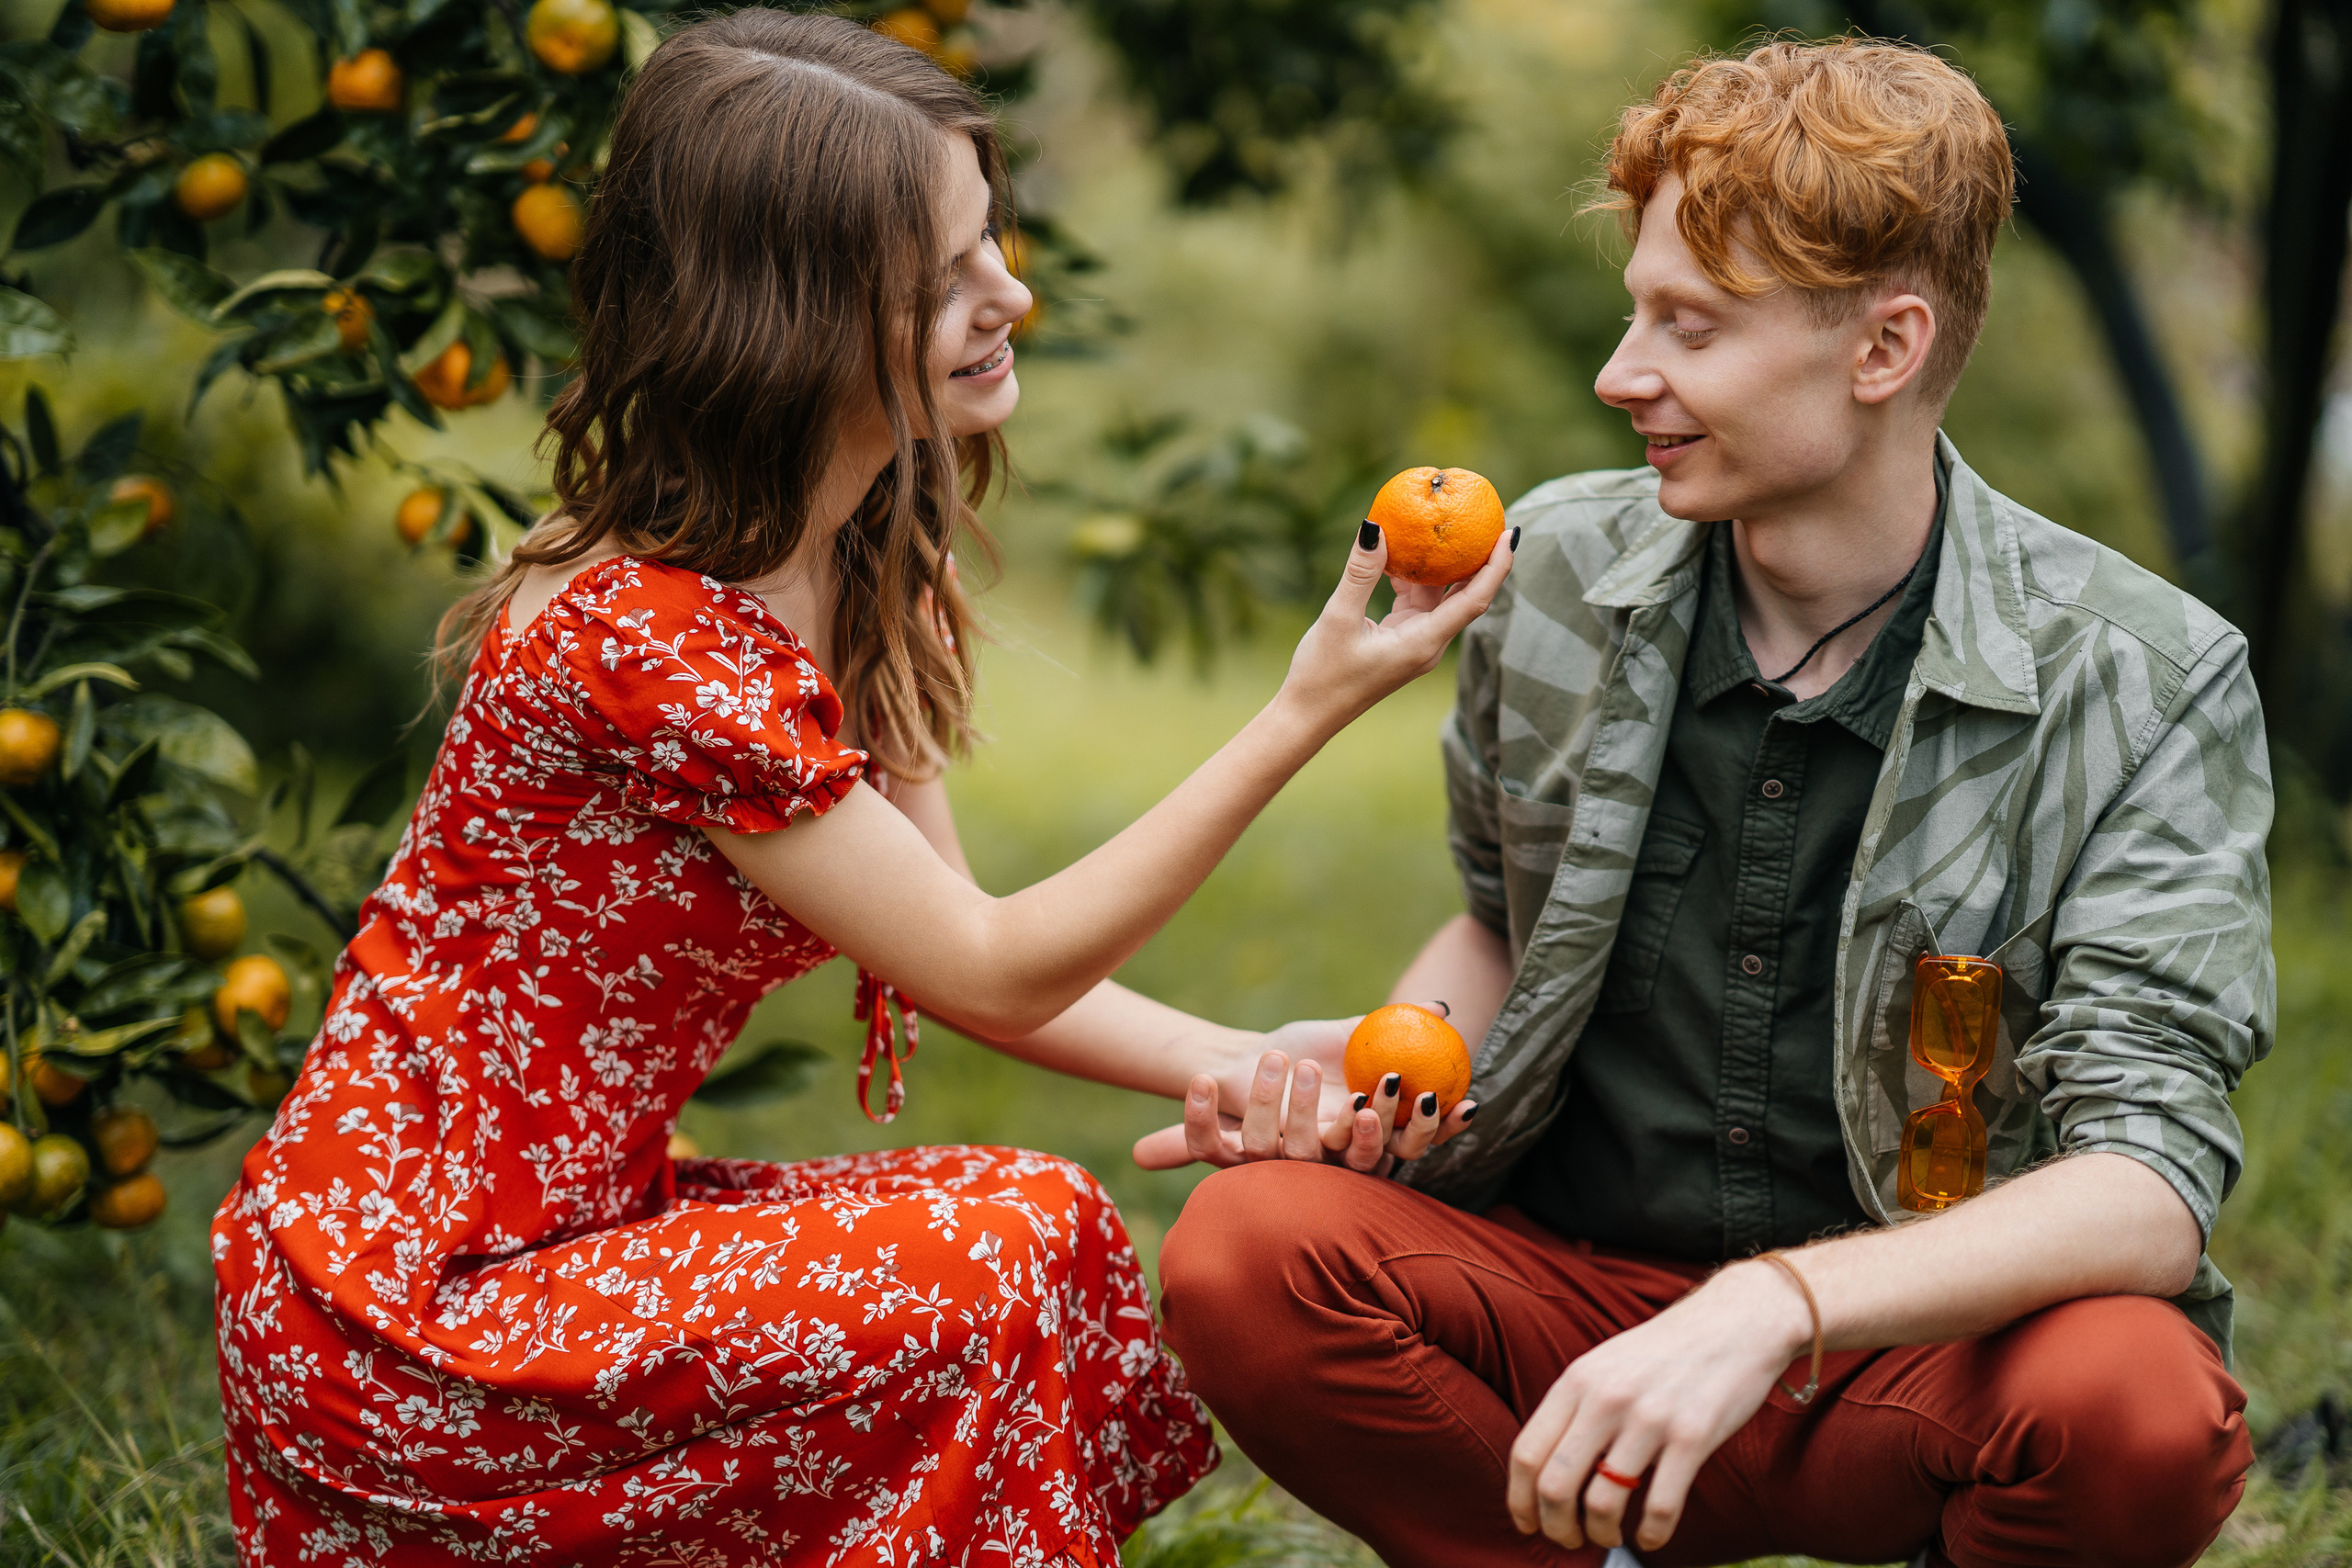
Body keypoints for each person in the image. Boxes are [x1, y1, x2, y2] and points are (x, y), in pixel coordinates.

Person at [208, 12, 1512, 1564]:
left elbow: (960, 944)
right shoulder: (652, 645)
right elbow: (993, 964)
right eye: (943, 278)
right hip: (400, 1317)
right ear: (787, 318)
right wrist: (1305, 711)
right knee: (1006, 1242)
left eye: (992, 240)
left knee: (1042, 1229)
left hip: (568, 1239)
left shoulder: (858, 555)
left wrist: (1252, 1061)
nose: (1009, 295)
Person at [1155, 37, 2272, 1568]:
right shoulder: (1548, 573)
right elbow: (1498, 925)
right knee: (1249, 1249)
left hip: (1902, 1348)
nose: (1622, 375)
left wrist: (1778, 1304)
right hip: (1570, 1314)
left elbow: (2148, 1181)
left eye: (1690, 325)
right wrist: (1382, 1080)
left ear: (1883, 349)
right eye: (1636, 312)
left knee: (2137, 1404)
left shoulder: (2145, 677)